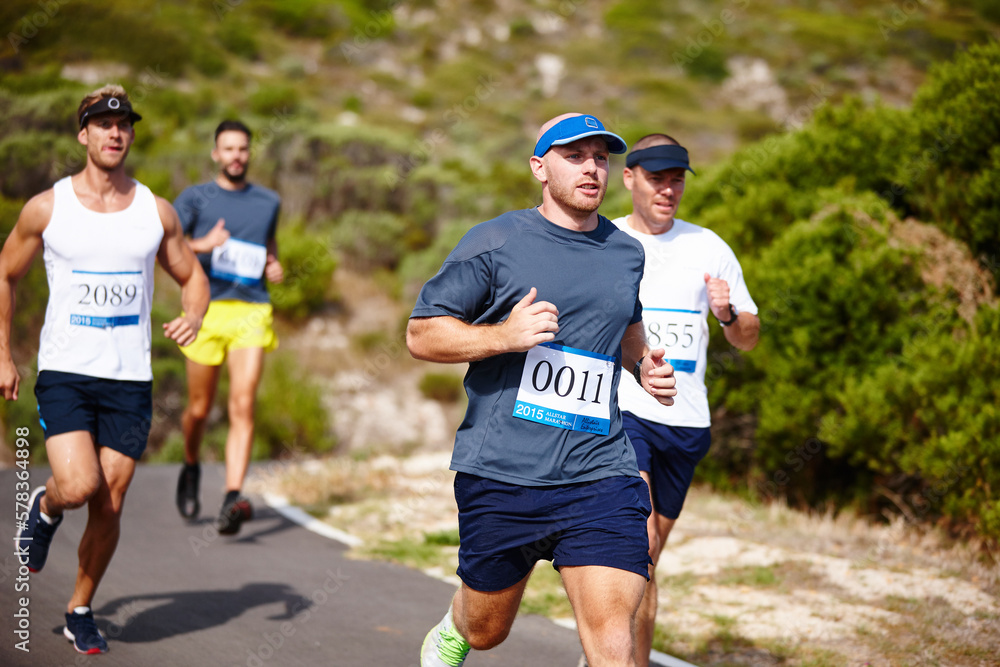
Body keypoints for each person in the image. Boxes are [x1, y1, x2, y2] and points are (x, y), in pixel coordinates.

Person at [408, 113, 677, 667]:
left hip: (600, 469)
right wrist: (503, 336)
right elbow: (420, 334)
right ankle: (455, 626)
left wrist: (641, 366)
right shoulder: (496, 242)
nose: (591, 168)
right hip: (505, 471)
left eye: (601, 158)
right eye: (574, 156)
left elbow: (625, 326)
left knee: (612, 640)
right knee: (487, 631)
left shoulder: (626, 252)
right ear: (539, 167)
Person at [1, 84, 210, 655]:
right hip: (66, 370)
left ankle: (80, 608)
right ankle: (44, 507)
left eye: (123, 124)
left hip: (129, 377)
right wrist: (2, 352)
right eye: (102, 123)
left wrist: (193, 313)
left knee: (110, 500)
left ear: (131, 135)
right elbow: (5, 274)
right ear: (83, 134)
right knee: (78, 485)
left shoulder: (154, 211)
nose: (114, 132)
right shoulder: (48, 207)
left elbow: (192, 276)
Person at [611, 134, 760, 666]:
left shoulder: (709, 246)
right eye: (657, 178)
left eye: (677, 179)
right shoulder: (605, 240)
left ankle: (608, 648)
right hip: (626, 411)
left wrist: (725, 314)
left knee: (644, 561)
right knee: (640, 543)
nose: (668, 189)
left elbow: (748, 335)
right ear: (629, 178)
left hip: (687, 422)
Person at [172, 120, 283, 535]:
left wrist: (273, 264)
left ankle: (230, 496)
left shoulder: (268, 201)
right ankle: (190, 462)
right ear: (215, 153)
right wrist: (204, 245)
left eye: (243, 149)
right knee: (199, 409)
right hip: (204, 309)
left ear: (249, 153)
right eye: (228, 149)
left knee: (242, 404)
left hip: (252, 311)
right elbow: (170, 245)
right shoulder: (195, 197)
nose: (236, 156)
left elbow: (268, 247)